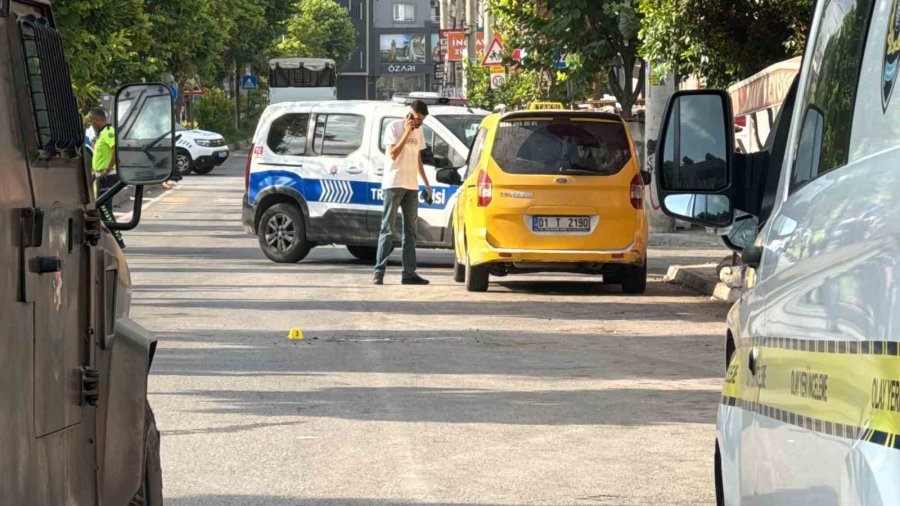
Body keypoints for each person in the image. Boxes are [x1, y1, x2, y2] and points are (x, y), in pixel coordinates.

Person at [373, 100, 433, 285]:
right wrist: (407, 132)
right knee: (387, 229)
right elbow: (393, 154)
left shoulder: (419, 131)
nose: (419, 122)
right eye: (418, 118)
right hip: (394, 184)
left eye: (422, 120)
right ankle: (379, 272)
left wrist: (427, 184)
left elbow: (417, 159)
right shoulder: (394, 127)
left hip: (411, 186)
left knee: (410, 232)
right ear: (410, 113)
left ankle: (409, 274)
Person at [88, 108, 126, 248]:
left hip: (108, 177)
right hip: (101, 176)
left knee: (104, 208)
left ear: (98, 120)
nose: (91, 124)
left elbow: (116, 149)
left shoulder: (109, 132)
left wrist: (109, 168)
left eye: (92, 121)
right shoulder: (101, 134)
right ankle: (110, 241)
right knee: (101, 209)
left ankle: (118, 242)